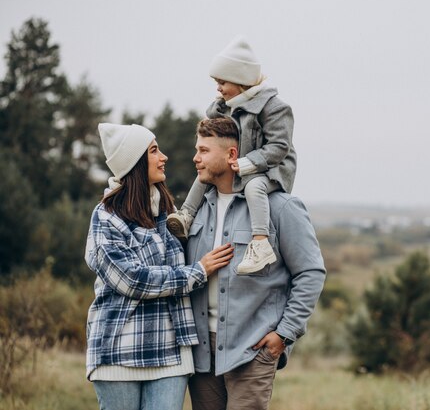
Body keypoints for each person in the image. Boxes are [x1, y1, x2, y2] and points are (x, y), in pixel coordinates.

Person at [84, 122, 234, 410]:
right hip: (119, 351)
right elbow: (131, 280)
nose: (164, 157)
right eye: (154, 151)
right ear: (136, 162)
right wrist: (197, 272)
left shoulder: (167, 214)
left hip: (171, 353)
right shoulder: (106, 217)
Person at [185, 117, 325, 410]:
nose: (195, 158)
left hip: (251, 349)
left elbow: (310, 273)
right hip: (201, 351)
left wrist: (283, 334)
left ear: (232, 155)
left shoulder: (280, 207)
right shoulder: (196, 210)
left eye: (204, 150)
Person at [167, 35, 297, 275]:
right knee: (204, 175)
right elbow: (214, 119)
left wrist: (249, 163)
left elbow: (280, 146)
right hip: (241, 161)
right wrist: (216, 108)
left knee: (254, 188)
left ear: (241, 80)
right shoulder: (232, 103)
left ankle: (260, 242)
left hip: (272, 167)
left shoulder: (275, 107)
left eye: (222, 82)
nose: (218, 88)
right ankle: (186, 215)